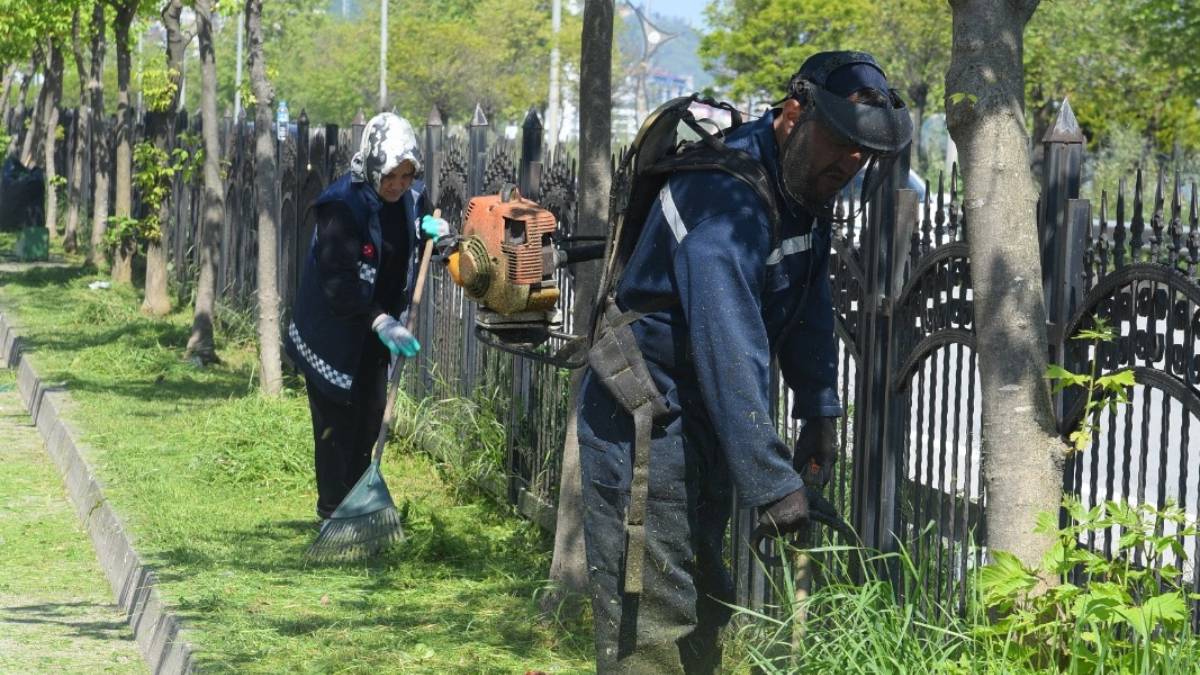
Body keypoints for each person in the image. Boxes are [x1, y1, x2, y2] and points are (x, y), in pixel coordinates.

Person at [576, 51, 913, 672]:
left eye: (863, 153)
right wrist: (773, 483)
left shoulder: (801, 192)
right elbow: (729, 345)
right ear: (793, 112)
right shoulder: (721, 204)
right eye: (841, 143)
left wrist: (819, 412)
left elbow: (808, 301)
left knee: (706, 603)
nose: (850, 162)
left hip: (698, 416)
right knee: (653, 619)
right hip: (641, 417)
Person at [286, 112, 450, 521]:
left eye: (407, 175)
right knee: (335, 425)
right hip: (332, 331)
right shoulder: (342, 206)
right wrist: (380, 320)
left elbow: (428, 237)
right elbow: (337, 281)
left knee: (371, 414)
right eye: (391, 175)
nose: (398, 185)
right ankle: (331, 513)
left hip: (376, 334)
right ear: (374, 165)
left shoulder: (411, 198)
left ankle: (358, 511)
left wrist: (439, 234)